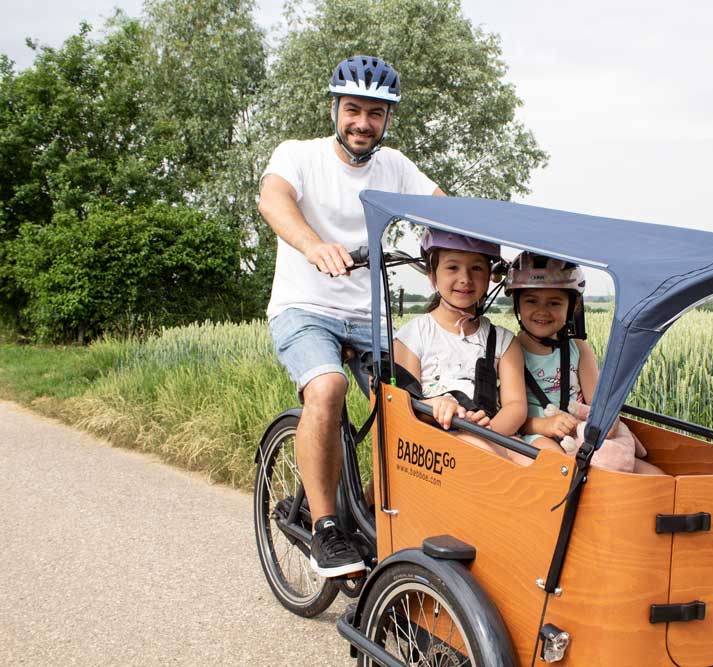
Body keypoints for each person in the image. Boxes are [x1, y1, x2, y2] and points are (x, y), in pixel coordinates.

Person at [258, 55, 444, 579]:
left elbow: (444, 209)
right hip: (304, 308)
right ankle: (326, 529)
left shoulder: (395, 167)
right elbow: (273, 199)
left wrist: (476, 254)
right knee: (327, 389)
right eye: (353, 110)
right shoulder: (299, 155)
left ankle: (367, 511)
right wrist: (314, 246)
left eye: (375, 114)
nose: (363, 123)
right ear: (335, 108)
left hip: (368, 318)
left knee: (415, 412)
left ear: (387, 120)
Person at [506, 252, 663, 474]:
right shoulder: (510, 349)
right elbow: (507, 414)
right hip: (536, 434)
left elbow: (598, 402)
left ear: (573, 305)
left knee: (655, 476)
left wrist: (606, 423)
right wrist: (544, 425)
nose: (542, 310)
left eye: (554, 302)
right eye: (531, 300)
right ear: (517, 303)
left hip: (582, 434)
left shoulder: (578, 348)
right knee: (559, 467)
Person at [393, 230, 527, 458]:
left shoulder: (504, 342)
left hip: (491, 433)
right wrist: (436, 405)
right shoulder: (414, 334)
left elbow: (515, 405)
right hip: (429, 442)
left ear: (489, 276)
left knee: (538, 463)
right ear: (432, 274)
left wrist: (486, 432)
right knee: (482, 453)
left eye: (476, 268)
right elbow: (400, 404)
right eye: (452, 267)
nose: (465, 278)